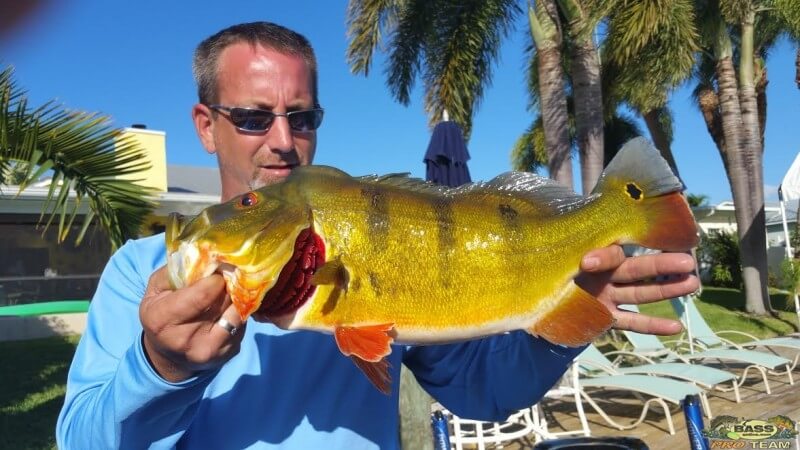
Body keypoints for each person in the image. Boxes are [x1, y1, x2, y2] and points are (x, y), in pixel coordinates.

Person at [56, 21, 699, 449]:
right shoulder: (140, 272)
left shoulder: (362, 242)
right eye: (253, 118)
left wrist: (574, 310)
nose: (283, 140)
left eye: (301, 117)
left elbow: (484, 394)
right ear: (205, 125)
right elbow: (79, 439)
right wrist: (160, 366)